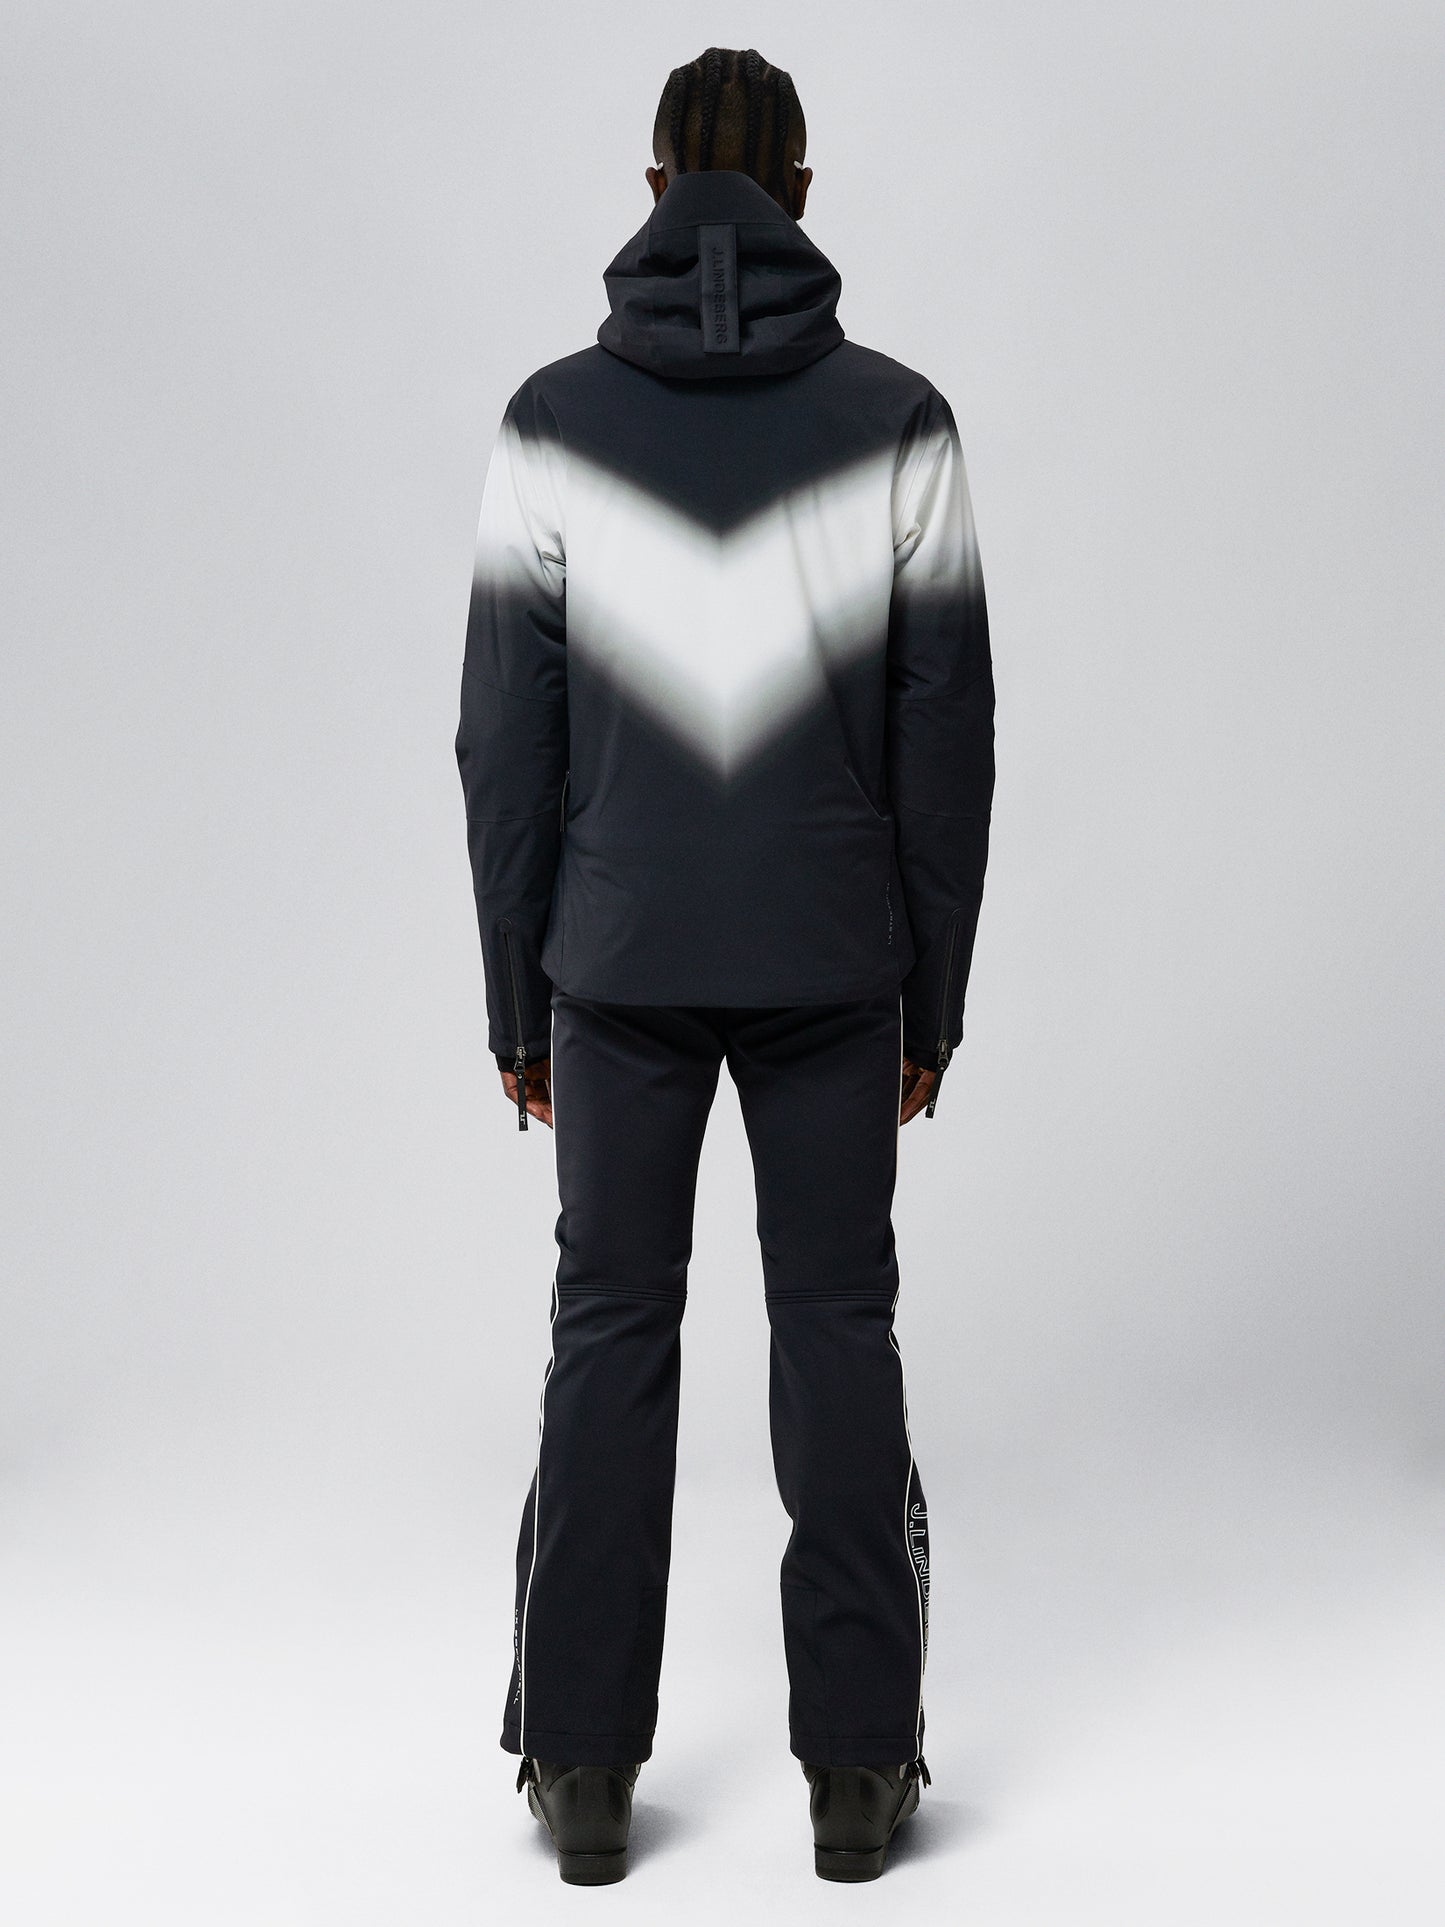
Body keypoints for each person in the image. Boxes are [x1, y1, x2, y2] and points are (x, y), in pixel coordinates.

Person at [455, 45, 994, 1885]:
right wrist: (933, 999)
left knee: (609, 1329)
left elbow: (501, 744)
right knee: (835, 1329)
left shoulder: (549, 423)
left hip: (612, 961)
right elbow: (947, 740)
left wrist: (515, 1001)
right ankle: (857, 1775)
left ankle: (582, 1777)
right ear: (802, 194)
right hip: (834, 961)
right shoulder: (901, 423)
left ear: (653, 185)